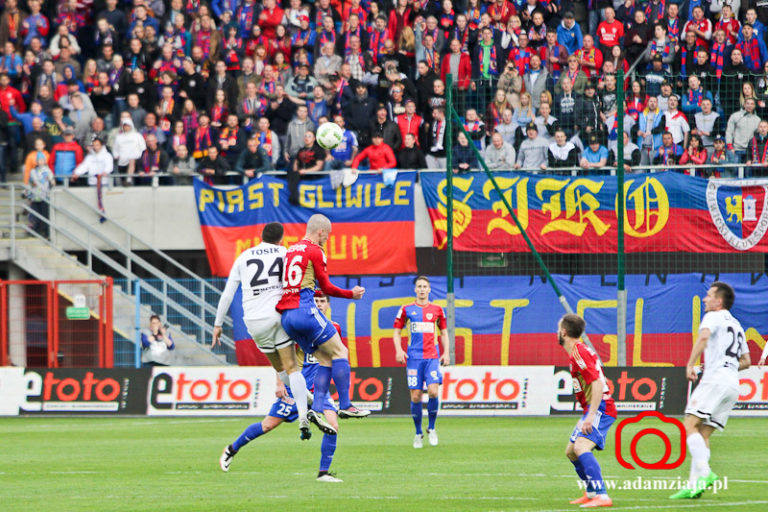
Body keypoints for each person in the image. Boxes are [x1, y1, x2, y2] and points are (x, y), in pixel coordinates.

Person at [212, 222, 327, 439]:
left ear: (261, 237)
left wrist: (218, 324)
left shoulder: (244, 257)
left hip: (254, 321)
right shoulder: (285, 253)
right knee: (292, 367)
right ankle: (304, 412)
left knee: (280, 368)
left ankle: (304, 401)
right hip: (277, 315)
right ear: (281, 238)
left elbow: (227, 294)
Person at [220, 290, 343, 482]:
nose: (319, 304)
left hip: (319, 390)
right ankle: (231, 449)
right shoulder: (297, 326)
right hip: (298, 389)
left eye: (322, 301)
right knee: (268, 425)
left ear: (328, 305)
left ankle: (323, 473)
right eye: (316, 300)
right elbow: (283, 357)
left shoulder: (333, 328)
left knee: (333, 425)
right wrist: (280, 382)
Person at [276, 214, 370, 420]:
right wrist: (350, 294)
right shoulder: (315, 250)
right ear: (321, 232)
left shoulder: (290, 250)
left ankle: (316, 409)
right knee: (340, 351)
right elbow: (325, 287)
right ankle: (345, 404)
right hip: (305, 311)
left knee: (325, 359)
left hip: (287, 317)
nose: (326, 240)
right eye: (326, 236)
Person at [670, 282, 750, 500]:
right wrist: (727, 365)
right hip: (732, 383)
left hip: (715, 380)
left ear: (719, 301)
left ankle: (705, 473)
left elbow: (704, 337)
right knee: (703, 432)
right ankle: (694, 486)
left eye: (708, 295)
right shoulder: (736, 324)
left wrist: (690, 364)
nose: (705, 299)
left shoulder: (713, 317)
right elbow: (747, 361)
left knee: (689, 424)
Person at [559, 313, 616, 508]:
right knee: (571, 452)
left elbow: (597, 382)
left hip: (601, 408)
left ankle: (602, 495)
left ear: (564, 332)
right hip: (593, 407)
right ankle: (591, 492)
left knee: (581, 447)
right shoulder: (578, 351)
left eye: (559, 329)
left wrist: (591, 416)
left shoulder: (579, 352)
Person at [393, 276, 448, 449]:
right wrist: (399, 350)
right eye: (419, 286)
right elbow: (396, 332)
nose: (422, 289)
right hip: (414, 359)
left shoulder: (438, 310)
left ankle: (431, 428)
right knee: (416, 396)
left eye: (425, 286)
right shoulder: (406, 309)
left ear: (429, 290)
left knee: (433, 391)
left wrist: (446, 353)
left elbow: (444, 333)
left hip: (432, 357)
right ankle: (418, 433)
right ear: (415, 289)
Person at [25, 151, 53, 238]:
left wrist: (51, 181)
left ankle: (45, 232)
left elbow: (52, 181)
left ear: (45, 161)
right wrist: (29, 195)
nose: (41, 162)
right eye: (39, 160)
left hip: (45, 197)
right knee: (35, 216)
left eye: (42, 160)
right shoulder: (33, 171)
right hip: (35, 197)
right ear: (36, 161)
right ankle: (35, 231)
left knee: (45, 215)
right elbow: (32, 183)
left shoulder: (48, 170)